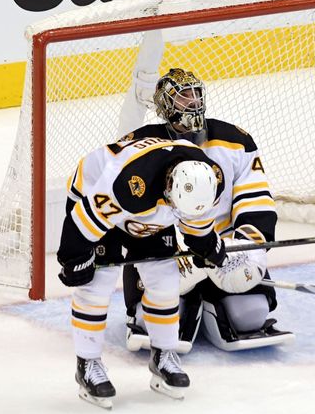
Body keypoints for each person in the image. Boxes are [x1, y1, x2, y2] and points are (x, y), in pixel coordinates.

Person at [117, 29, 294, 354]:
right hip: (169, 254)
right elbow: (129, 212)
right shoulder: (140, 145)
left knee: (250, 314)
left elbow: (257, 202)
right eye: (184, 98)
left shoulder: (235, 140)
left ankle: (219, 302)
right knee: (159, 317)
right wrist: (170, 252)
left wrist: (246, 248)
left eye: (196, 94)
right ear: (165, 106)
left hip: (223, 250)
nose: (193, 103)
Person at [56, 135, 227, 408]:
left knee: (165, 279)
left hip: (149, 207)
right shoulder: (128, 184)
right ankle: (87, 364)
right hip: (93, 191)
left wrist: (208, 247)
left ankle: (164, 356)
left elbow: (197, 227)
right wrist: (73, 259)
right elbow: (81, 225)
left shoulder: (209, 181)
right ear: (169, 187)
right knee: (96, 283)